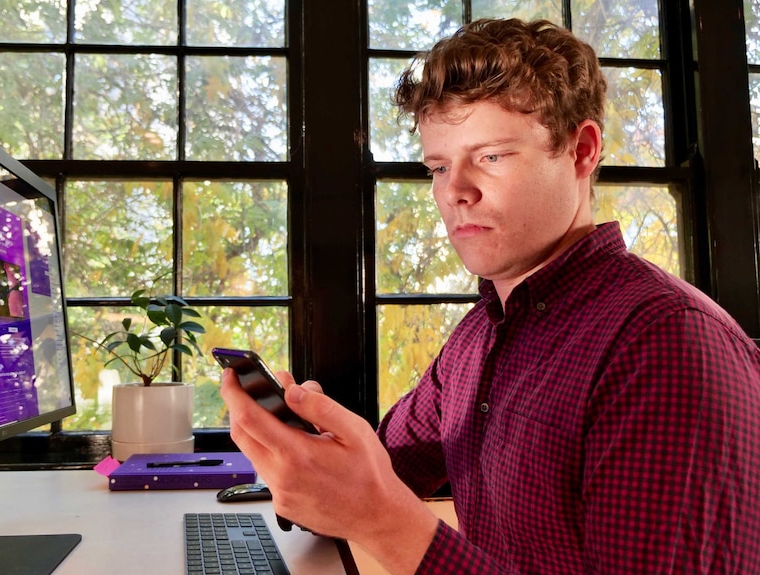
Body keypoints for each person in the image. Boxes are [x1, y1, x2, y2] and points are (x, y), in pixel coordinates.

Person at [220, 18, 760, 574]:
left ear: (582, 151)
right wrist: (304, 452)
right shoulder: (479, 336)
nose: (455, 191)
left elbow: (374, 506)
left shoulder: (667, 346)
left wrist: (382, 520)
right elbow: (370, 478)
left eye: (492, 156)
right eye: (438, 166)